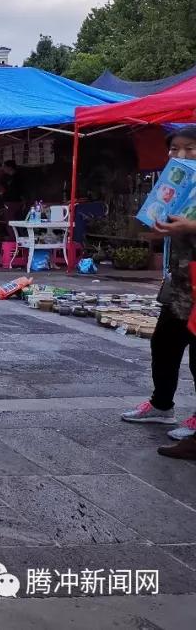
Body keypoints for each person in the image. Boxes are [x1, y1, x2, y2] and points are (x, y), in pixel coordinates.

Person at [121, 126, 196, 460]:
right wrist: (159, 233)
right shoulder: (178, 186)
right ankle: (161, 403)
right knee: (164, 342)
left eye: (190, 149)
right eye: (175, 150)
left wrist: (190, 227)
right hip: (181, 282)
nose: (181, 156)